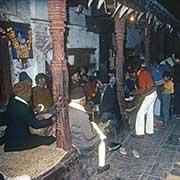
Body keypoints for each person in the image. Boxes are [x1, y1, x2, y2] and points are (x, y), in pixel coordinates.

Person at [3, 80, 55, 152]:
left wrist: (33, 110)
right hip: (20, 137)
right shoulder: (23, 108)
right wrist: (52, 119)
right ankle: (10, 145)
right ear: (25, 93)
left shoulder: (13, 98)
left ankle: (5, 139)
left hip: (11, 130)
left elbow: (20, 114)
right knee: (49, 140)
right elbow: (36, 125)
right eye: (30, 92)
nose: (31, 94)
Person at [68, 87, 110, 174]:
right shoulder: (82, 115)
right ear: (82, 101)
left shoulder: (67, 109)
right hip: (82, 144)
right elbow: (89, 136)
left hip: (72, 139)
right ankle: (101, 166)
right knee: (101, 141)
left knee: (93, 124)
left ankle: (103, 136)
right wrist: (96, 133)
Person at [132, 62, 157, 137]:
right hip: (153, 93)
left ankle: (139, 133)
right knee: (150, 112)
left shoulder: (141, 74)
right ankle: (149, 131)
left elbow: (143, 88)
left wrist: (134, 92)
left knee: (140, 113)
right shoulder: (146, 72)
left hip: (149, 94)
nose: (132, 75)